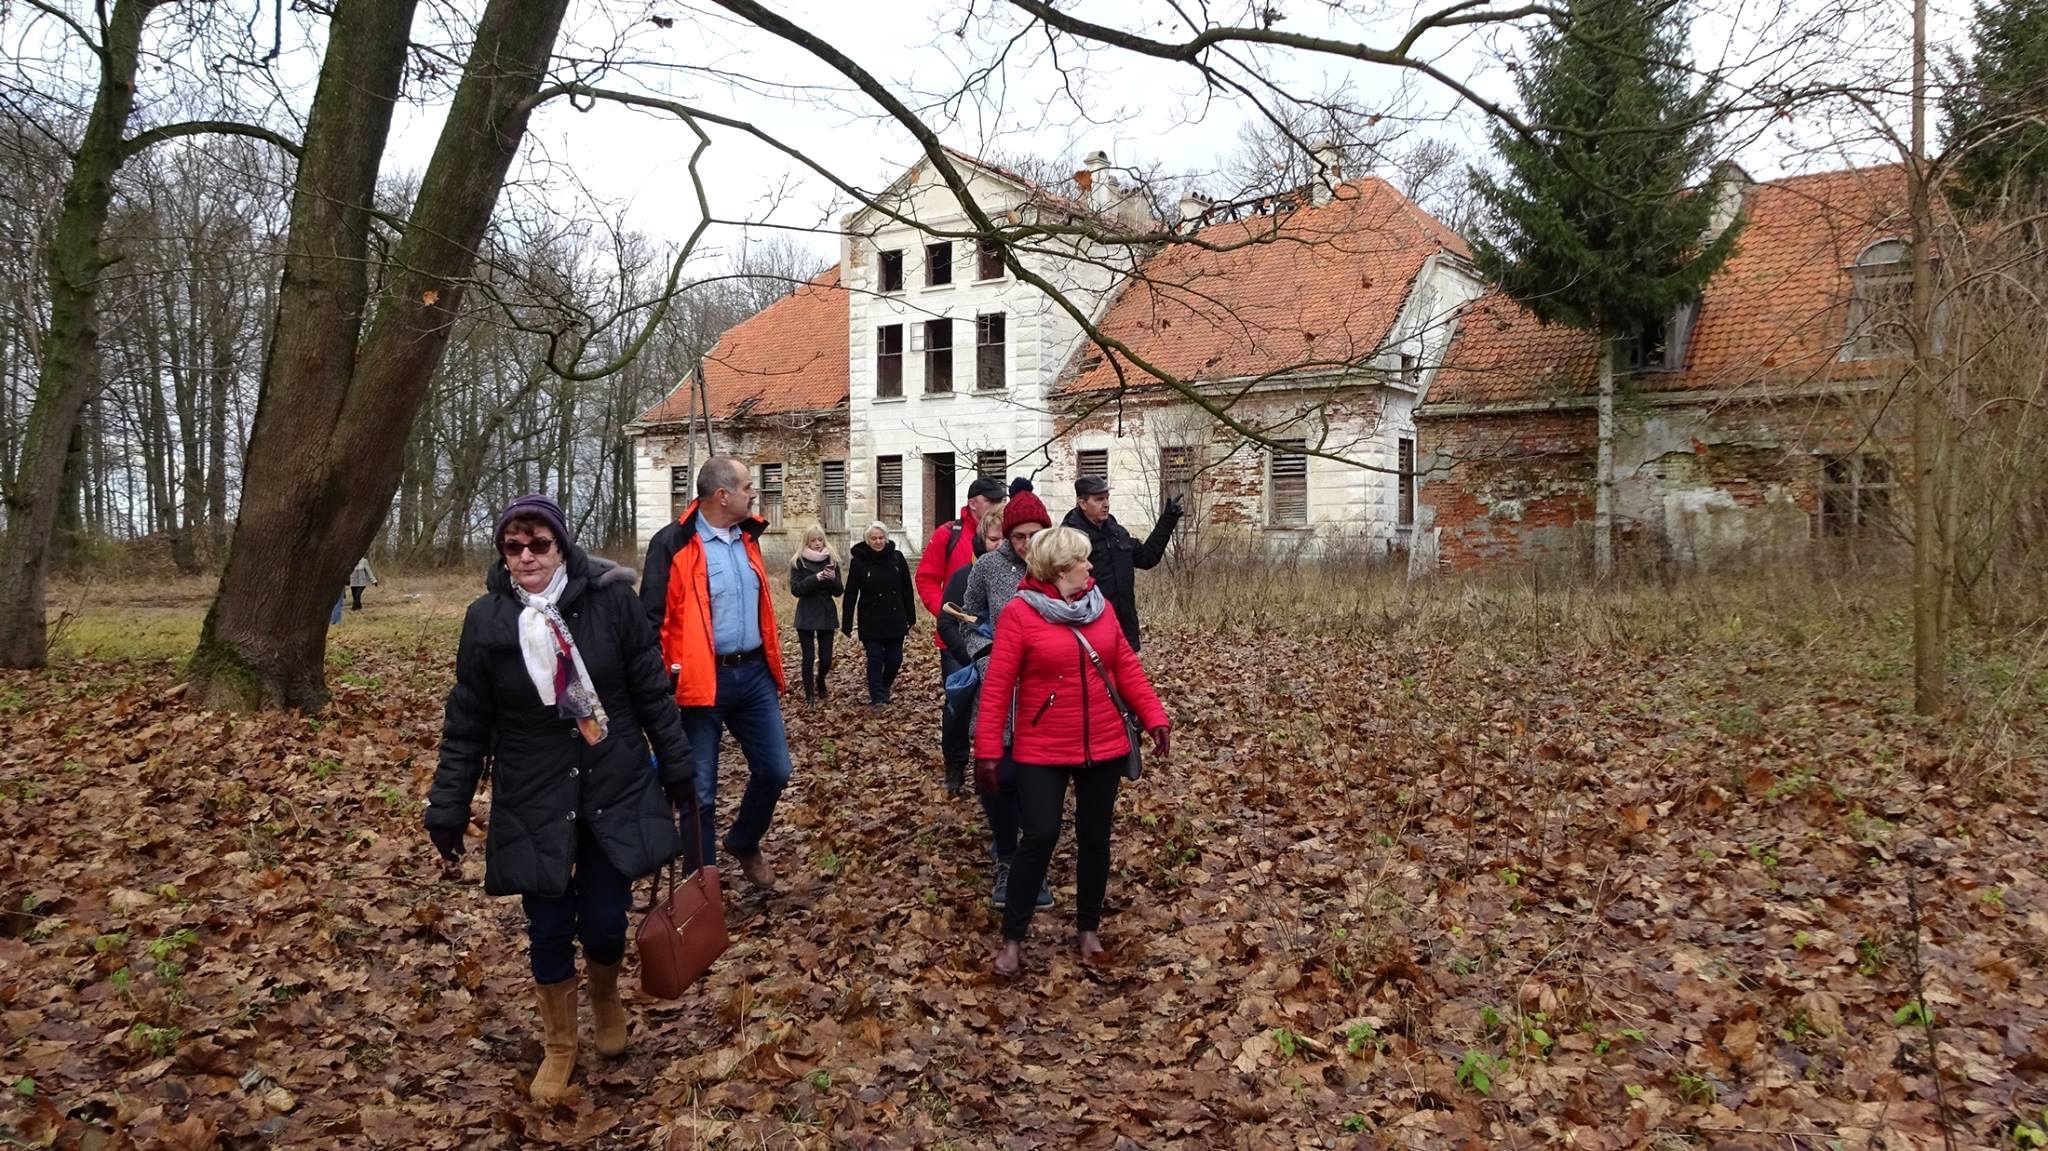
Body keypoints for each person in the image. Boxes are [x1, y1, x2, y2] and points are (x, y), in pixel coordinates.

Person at [425, 494, 694, 1103]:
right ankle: (559, 1043)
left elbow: (652, 691)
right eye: (512, 546)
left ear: (562, 546)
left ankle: (604, 993)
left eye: (538, 545)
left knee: (603, 918)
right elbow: (467, 718)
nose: (525, 557)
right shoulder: (488, 620)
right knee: (546, 924)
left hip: (611, 777)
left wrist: (677, 767)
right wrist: (449, 802)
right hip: (533, 788)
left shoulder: (612, 605)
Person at [975, 525, 1170, 978]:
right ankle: (1012, 938)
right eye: (1082, 560)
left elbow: (1125, 666)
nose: (1090, 566)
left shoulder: (1099, 607)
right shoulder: (1021, 615)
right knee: (1039, 836)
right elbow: (998, 688)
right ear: (1060, 569)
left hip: (1102, 742)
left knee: (1095, 838)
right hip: (1041, 746)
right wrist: (987, 751)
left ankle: (1087, 928)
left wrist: (1156, 717)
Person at [641, 455, 789, 891]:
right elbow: (650, 620)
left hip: (753, 676)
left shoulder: (749, 537)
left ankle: (744, 841)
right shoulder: (672, 543)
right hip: (698, 683)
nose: (754, 493)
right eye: (747, 486)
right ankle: (699, 887)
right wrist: (661, 681)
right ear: (722, 495)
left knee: (776, 770)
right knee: (698, 792)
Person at [959, 480, 1055, 908]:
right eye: (1018, 536)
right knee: (997, 775)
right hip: (999, 687)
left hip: (1047, 693)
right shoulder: (987, 567)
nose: (1025, 544)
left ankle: (1033, 869)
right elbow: (969, 618)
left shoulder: (1057, 564)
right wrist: (985, 658)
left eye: (1034, 536)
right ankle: (1006, 857)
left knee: (1039, 781)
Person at [1061, 475, 1182, 652]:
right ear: (1082, 503)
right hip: (1089, 633)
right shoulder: (1070, 539)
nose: (1106, 504)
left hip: (1125, 629)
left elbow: (1147, 558)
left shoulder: (1117, 533)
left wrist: (1168, 520)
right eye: (1099, 499)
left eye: (1107, 498)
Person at [936, 508, 1005, 795]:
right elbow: (946, 620)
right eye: (993, 539)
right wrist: (971, 656)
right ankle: (955, 764)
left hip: (1003, 657)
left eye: (1005, 538)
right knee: (959, 707)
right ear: (981, 541)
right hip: (964, 654)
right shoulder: (964, 575)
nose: (999, 545)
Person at [916, 474, 1007, 687]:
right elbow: (926, 579)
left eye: (1000, 500)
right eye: (991, 500)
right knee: (960, 701)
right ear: (972, 503)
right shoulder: (947, 534)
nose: (998, 505)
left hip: (999, 636)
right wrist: (948, 613)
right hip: (955, 638)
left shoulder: (1009, 534)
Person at [841, 521, 916, 708]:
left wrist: (911, 616)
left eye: (881, 538)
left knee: (895, 659)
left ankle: (884, 686)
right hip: (870, 618)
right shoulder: (858, 562)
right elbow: (851, 593)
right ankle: (877, 697)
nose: (878, 541)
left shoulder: (897, 558)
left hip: (895, 617)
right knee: (875, 657)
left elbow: (907, 589)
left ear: (886, 538)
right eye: (874, 538)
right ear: (867, 540)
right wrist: (847, 623)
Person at [788, 525, 843, 703]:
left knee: (826, 658)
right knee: (808, 656)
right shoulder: (798, 561)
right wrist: (815, 578)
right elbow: (796, 590)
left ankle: (820, 681)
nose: (818, 544)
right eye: (813, 540)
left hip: (827, 611)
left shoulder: (832, 559)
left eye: (820, 540)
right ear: (807, 541)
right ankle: (809, 694)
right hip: (806, 612)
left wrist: (832, 579)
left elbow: (839, 591)